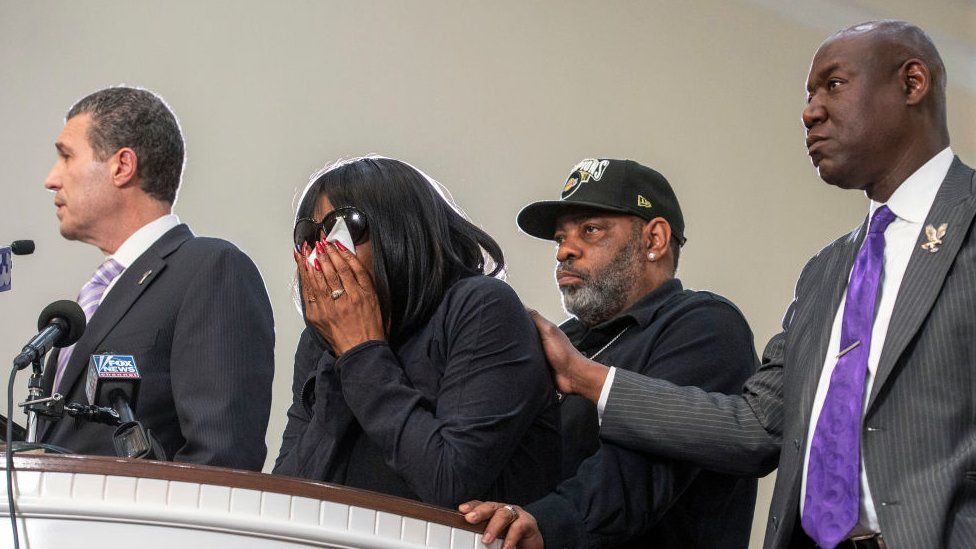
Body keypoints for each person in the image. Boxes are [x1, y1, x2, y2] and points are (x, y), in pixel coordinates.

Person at [470, 20, 976, 549]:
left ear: (912, 83)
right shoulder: (827, 270)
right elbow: (758, 427)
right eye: (808, 94)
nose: (810, 111)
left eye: (833, 85)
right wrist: (586, 377)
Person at [461, 158, 759, 548]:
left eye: (590, 230)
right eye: (560, 238)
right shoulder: (565, 340)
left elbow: (638, 475)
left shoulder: (705, 326)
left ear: (654, 240)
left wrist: (545, 522)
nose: (564, 251)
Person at [273, 156, 561, 508]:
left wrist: (361, 351)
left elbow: (448, 483)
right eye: (309, 236)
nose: (322, 252)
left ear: (400, 229)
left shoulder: (481, 307)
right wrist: (339, 356)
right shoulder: (320, 341)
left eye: (341, 227)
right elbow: (285, 496)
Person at [39, 86, 275, 471]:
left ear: (122, 166)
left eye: (66, 156)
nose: (51, 179)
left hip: (139, 529)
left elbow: (222, 455)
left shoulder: (210, 269)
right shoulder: (93, 296)